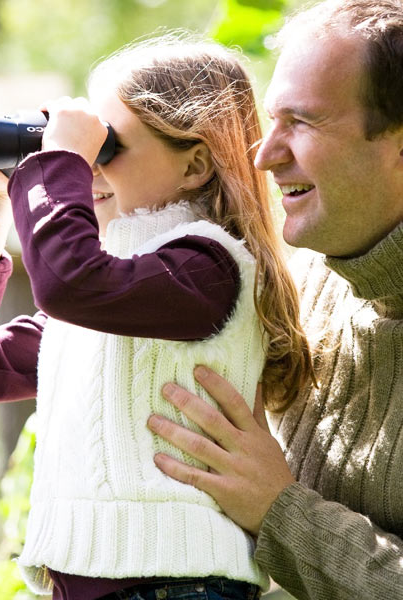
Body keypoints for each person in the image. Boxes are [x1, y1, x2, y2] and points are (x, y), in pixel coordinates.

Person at [0, 35, 314, 600]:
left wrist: (57, 165)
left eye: (105, 149)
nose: (88, 171)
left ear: (196, 163)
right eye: (85, 151)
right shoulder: (101, 306)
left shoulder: (206, 268)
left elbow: (71, 283)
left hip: (179, 587)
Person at [144, 2, 403, 599]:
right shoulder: (291, 284)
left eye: (303, 123)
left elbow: (270, 501)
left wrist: (281, 513)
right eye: (271, 119)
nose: (265, 154)